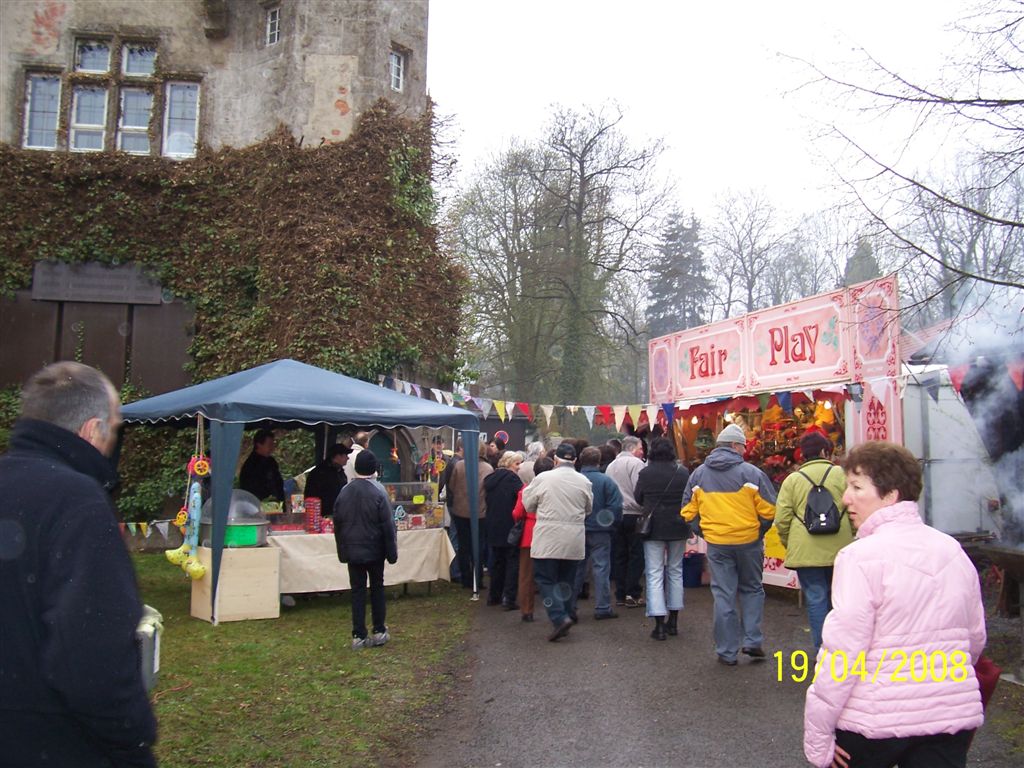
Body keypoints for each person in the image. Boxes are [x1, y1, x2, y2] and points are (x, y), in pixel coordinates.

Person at [0, 361, 157, 767]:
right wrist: (133, 739)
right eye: (115, 429)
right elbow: (90, 655)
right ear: (93, 431)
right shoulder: (77, 500)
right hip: (53, 743)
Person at [803, 441, 986, 768]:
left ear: (891, 495)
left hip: (875, 723)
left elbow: (842, 655)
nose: (846, 499)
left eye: (857, 487)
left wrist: (818, 736)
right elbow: (974, 639)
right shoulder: (952, 550)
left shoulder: (858, 557)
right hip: (948, 720)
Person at [681, 423, 776, 665]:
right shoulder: (752, 474)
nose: (744, 450)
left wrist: (705, 532)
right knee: (752, 589)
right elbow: (769, 510)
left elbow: (688, 511)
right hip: (749, 543)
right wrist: (757, 531)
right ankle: (752, 641)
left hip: (717, 544)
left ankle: (726, 651)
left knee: (723, 595)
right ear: (735, 445)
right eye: (743, 446)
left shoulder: (698, 475)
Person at [773, 431, 853, 652]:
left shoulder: (793, 480)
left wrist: (790, 541)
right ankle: (843, 648)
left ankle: (822, 650)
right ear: (824, 451)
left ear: (803, 455)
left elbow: (782, 519)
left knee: (816, 597)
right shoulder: (841, 474)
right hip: (841, 547)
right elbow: (855, 507)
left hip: (806, 550)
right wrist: (853, 534)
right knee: (840, 598)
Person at [522, 443, 592, 642]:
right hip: (574, 537)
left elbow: (528, 504)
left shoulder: (543, 478)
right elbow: (589, 508)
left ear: (555, 460)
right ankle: (567, 613)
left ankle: (559, 617)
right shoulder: (584, 481)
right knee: (566, 580)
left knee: (545, 579)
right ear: (575, 460)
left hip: (548, 536)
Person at [332, 449, 398, 649]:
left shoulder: (344, 492)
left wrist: (342, 550)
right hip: (375, 548)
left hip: (352, 549)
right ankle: (379, 630)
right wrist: (391, 553)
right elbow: (388, 525)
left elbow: (338, 524)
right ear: (374, 469)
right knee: (377, 588)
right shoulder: (379, 491)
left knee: (357, 591)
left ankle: (358, 634)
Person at [634, 437, 690, 640]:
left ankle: (658, 625)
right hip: (678, 525)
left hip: (653, 527)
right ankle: (673, 621)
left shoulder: (646, 472)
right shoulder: (682, 473)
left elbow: (638, 497)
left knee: (654, 573)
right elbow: (689, 497)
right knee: (675, 571)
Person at [576, 446, 623, 620]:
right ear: (599, 461)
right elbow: (616, 506)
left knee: (577, 568)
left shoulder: (575, 479)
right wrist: (610, 524)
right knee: (601, 567)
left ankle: (570, 607)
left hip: (578, 528)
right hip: (600, 531)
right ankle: (602, 606)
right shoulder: (606, 481)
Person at [606, 435, 647, 607]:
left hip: (615, 514)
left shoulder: (611, 466)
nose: (642, 452)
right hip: (634, 513)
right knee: (636, 554)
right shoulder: (636, 464)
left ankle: (620, 593)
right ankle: (633, 592)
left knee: (619, 554)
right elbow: (640, 490)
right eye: (640, 448)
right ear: (632, 449)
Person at [512, 457, 554, 622]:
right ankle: (554, 609)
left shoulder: (526, 489)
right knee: (551, 574)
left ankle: (527, 610)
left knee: (526, 575)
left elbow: (517, 513)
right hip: (550, 533)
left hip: (529, 534)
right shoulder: (555, 489)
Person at [449, 441, 493, 590]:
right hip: (480, 512)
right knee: (478, 546)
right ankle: (478, 578)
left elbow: (452, 485)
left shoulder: (459, 465)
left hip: (460, 510)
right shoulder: (488, 468)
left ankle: (465, 578)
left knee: (463, 546)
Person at [484, 451, 525, 608]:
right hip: (509, 524)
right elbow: (522, 498)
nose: (519, 467)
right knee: (512, 562)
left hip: (493, 524)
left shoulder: (491, 478)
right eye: (517, 464)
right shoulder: (513, 479)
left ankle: (494, 596)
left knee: (497, 561)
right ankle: (509, 598)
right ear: (508, 464)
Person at [303, 443, 352, 514]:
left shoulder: (340, 472)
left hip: (338, 513)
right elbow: (311, 496)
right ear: (337, 456)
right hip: (322, 514)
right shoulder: (319, 473)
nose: (348, 458)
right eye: (346, 455)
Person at [239, 428, 284, 501]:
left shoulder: (271, 461)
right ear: (259, 444)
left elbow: (278, 483)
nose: (272, 447)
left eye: (273, 444)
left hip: (276, 503)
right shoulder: (250, 465)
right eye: (269, 444)